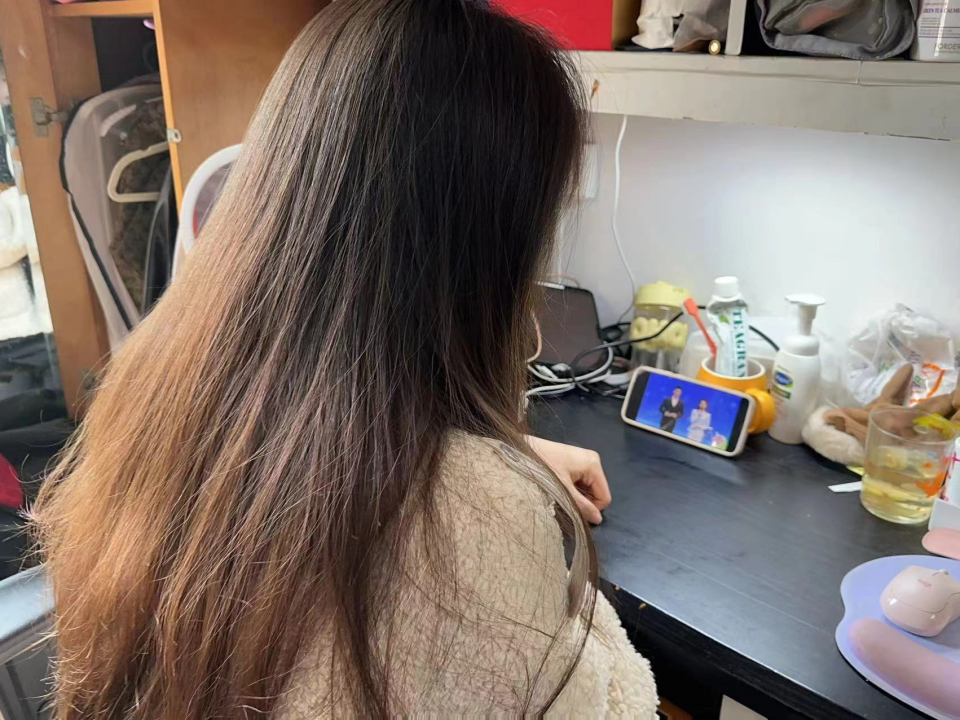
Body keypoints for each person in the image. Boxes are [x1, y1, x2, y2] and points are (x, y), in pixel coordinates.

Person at [32, 1, 657, 718]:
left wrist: (494, 454)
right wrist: (509, 508)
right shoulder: (473, 518)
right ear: (495, 248)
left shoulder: (155, 385)